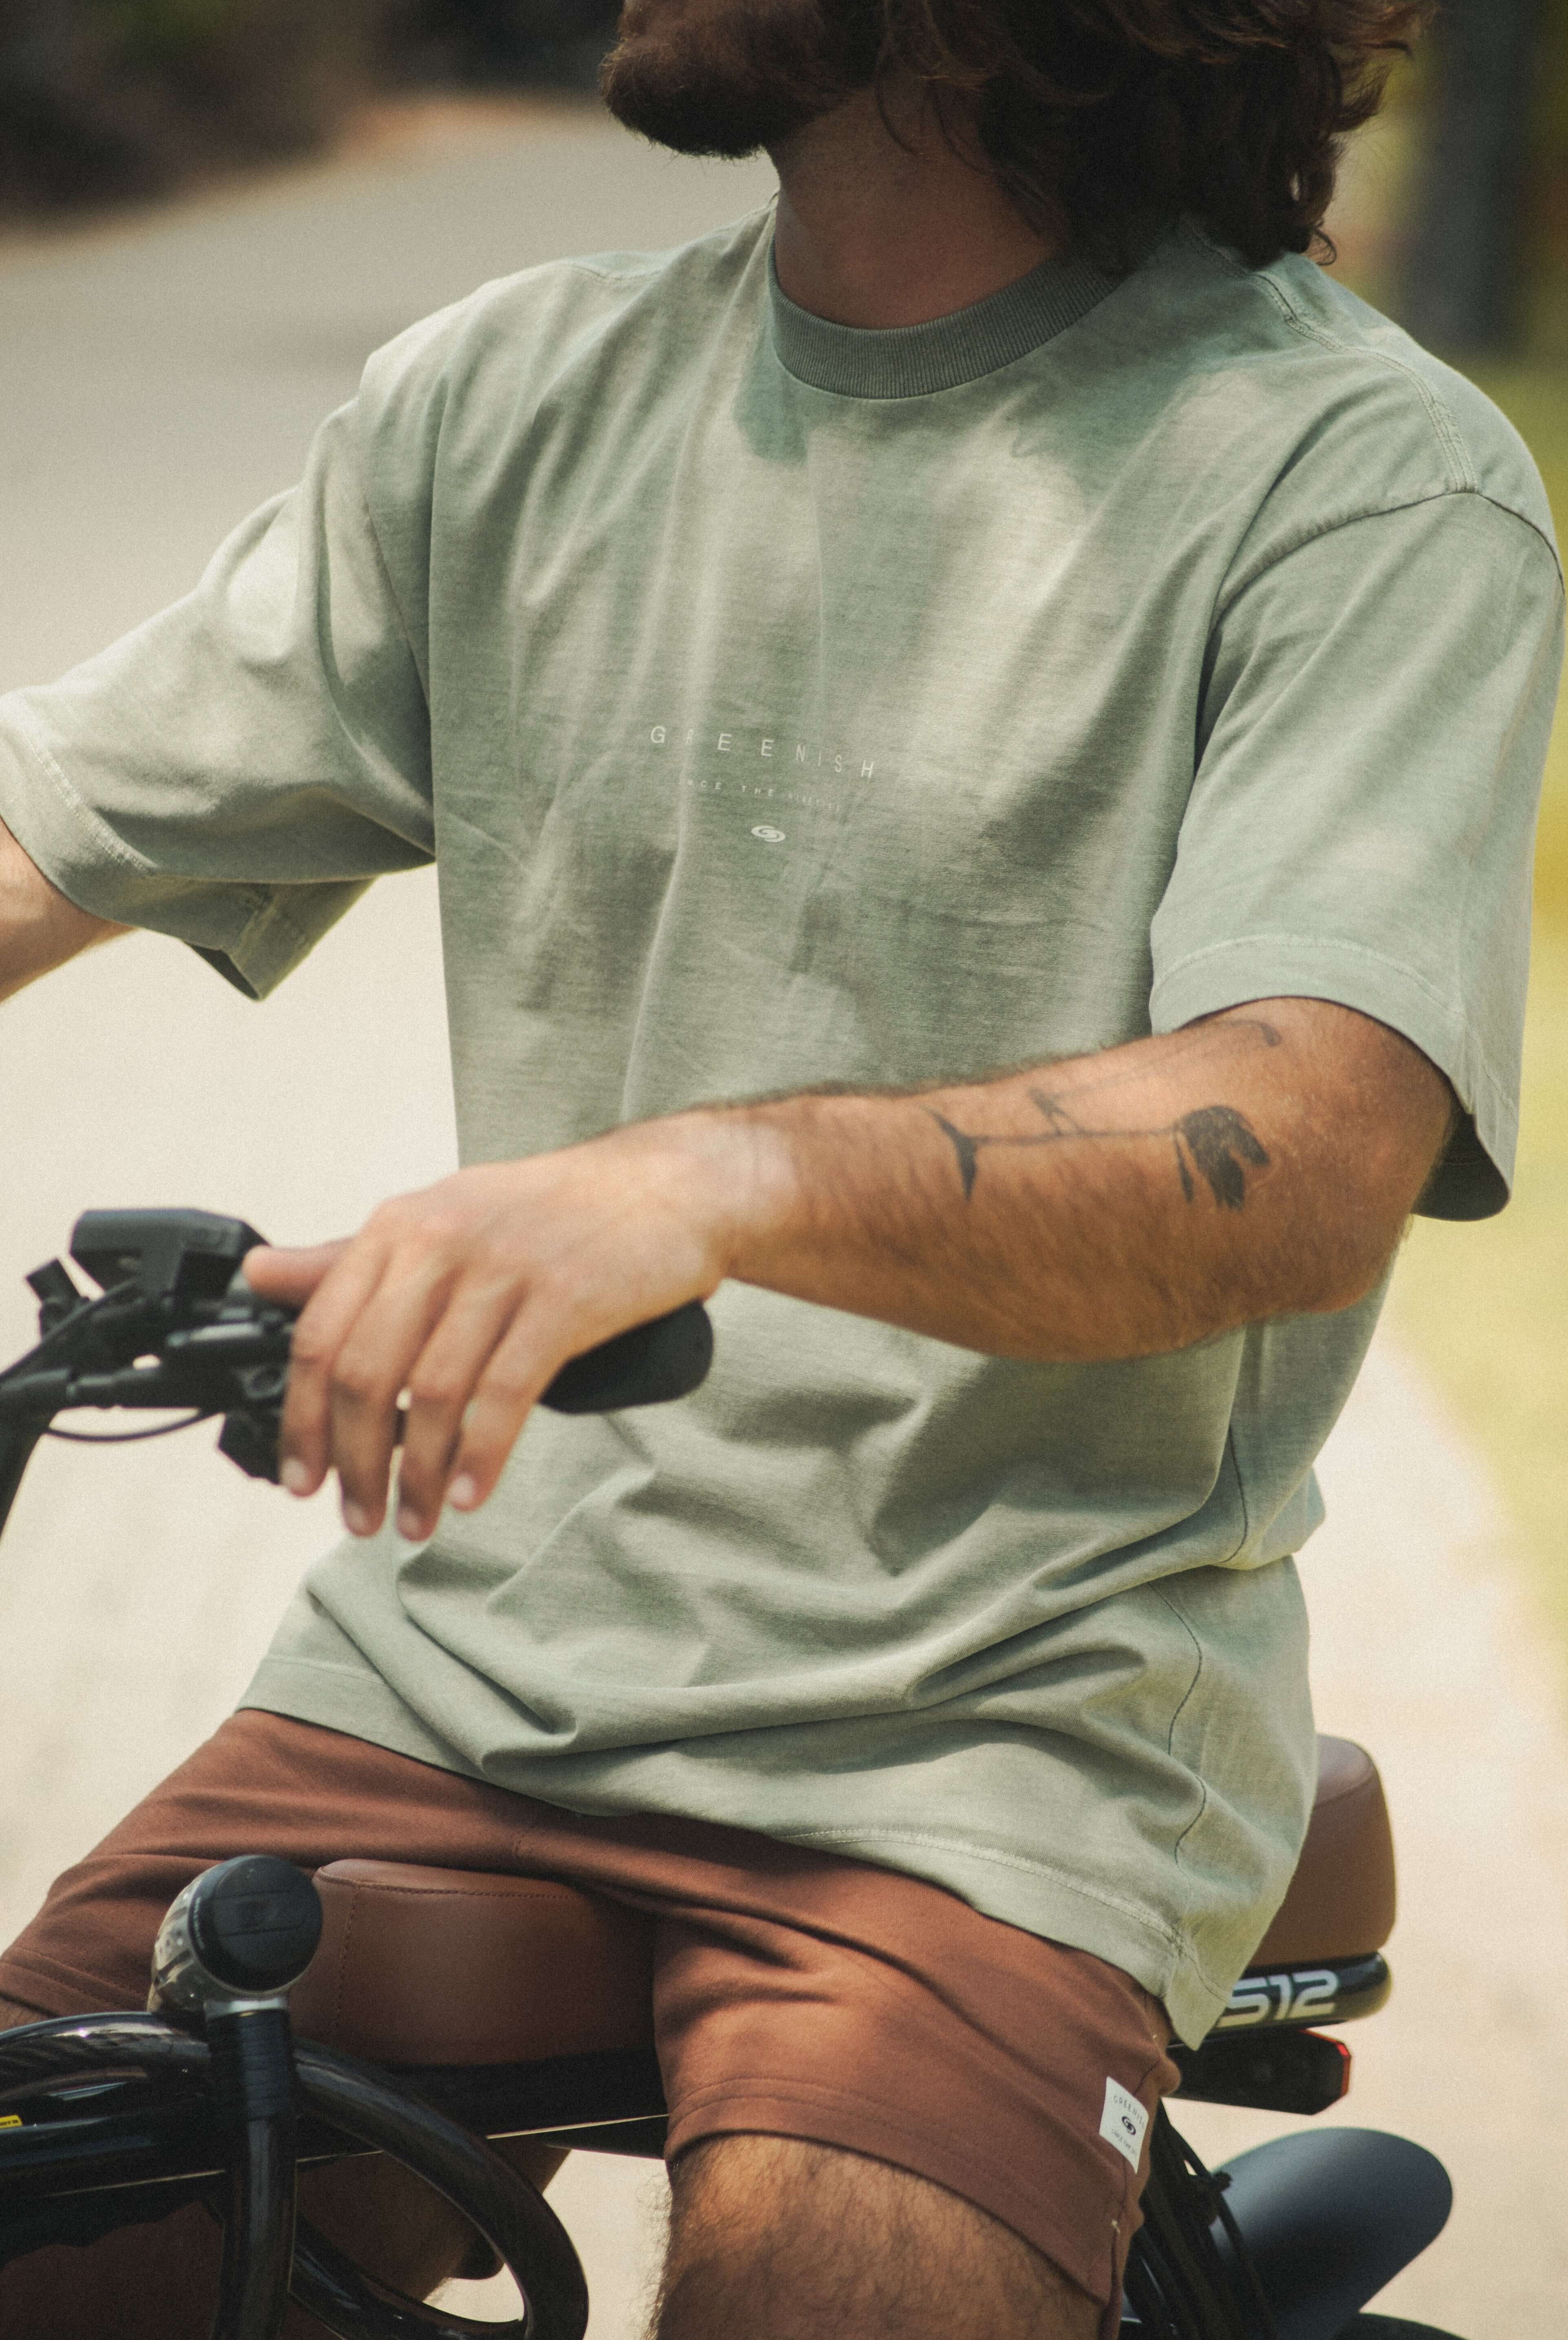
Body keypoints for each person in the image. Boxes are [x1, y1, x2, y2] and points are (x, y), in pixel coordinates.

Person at [0, 0, 1561, 2332]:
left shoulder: (1348, 480)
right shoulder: (508, 399)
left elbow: (1311, 1139)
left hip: (1002, 1739)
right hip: (446, 1679)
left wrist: (698, 1182)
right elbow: (39, 829)